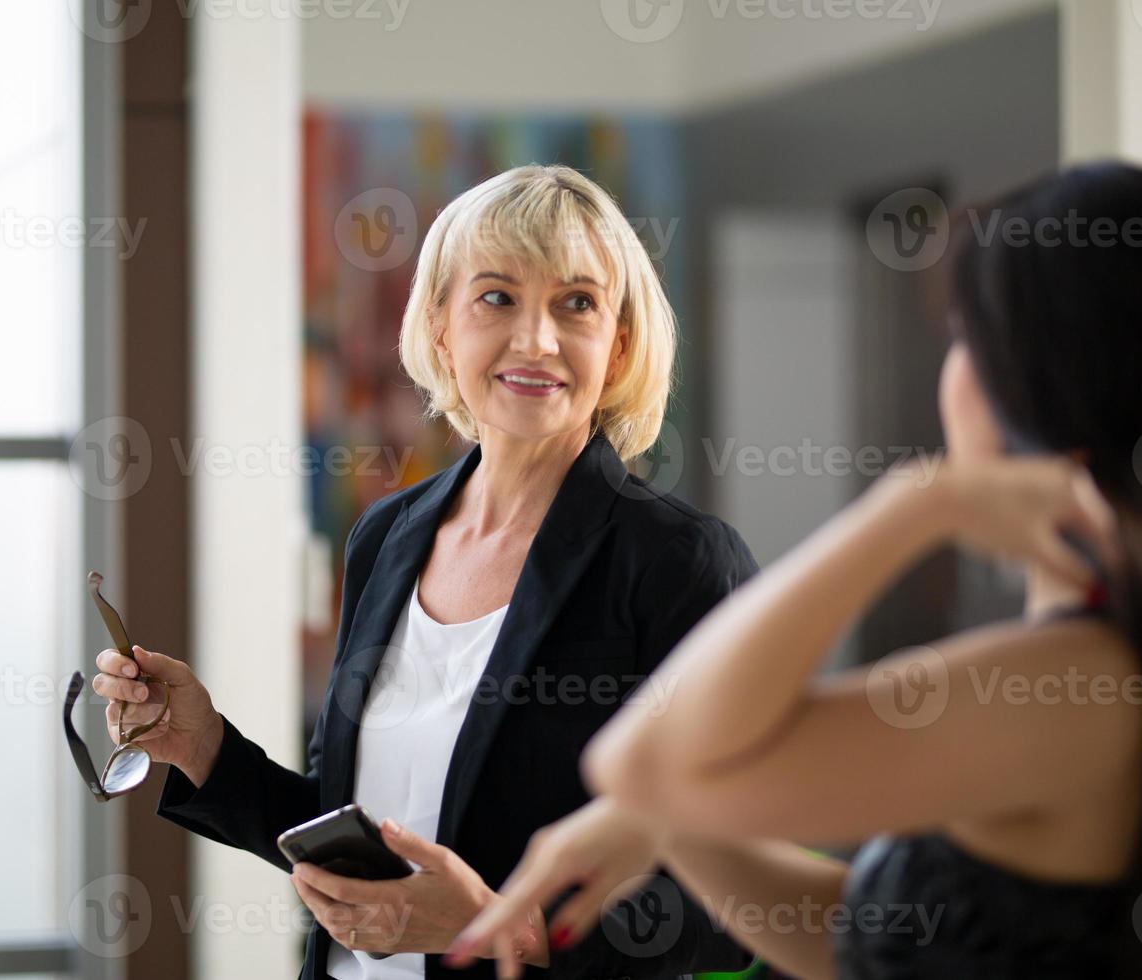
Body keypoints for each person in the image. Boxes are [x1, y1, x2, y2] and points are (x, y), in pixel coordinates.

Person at [449, 163, 1142, 979]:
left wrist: (916, 502)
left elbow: (641, 761)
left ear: (1029, 383)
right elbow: (877, 939)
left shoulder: (1077, 684)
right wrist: (671, 825)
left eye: (965, 341)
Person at [91, 164, 760, 978]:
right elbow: (362, 843)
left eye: (576, 303)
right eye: (497, 297)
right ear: (441, 326)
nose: (536, 339)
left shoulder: (678, 563)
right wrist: (204, 750)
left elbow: (731, 904)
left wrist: (502, 926)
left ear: (617, 345)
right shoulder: (387, 537)